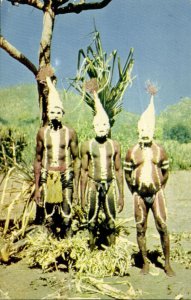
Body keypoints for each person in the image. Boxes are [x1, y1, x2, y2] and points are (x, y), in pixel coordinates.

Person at [124, 83, 175, 276]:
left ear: (152, 130)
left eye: (148, 128)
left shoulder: (159, 150)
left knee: (162, 226)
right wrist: (135, 191)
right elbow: (128, 175)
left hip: (156, 193)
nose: (145, 131)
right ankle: (144, 261)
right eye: (142, 128)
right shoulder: (132, 151)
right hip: (139, 195)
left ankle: (167, 263)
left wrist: (159, 187)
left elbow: (166, 172)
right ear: (138, 129)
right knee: (140, 228)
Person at [34, 77, 80, 238]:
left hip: (65, 174)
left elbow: (77, 158)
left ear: (62, 113)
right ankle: (51, 248)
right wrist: (37, 186)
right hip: (48, 175)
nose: (55, 115)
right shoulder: (42, 133)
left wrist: (75, 183)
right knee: (50, 218)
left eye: (58, 112)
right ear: (47, 113)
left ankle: (67, 246)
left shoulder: (70, 132)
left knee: (67, 216)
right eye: (52, 112)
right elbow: (38, 159)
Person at [80, 90, 124, 249]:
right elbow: (83, 172)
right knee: (91, 221)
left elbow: (119, 171)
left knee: (111, 221)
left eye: (105, 124)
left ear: (109, 126)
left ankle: (112, 251)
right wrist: (82, 197)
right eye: (98, 125)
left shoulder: (115, 145)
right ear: (93, 126)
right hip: (93, 184)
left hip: (110, 184)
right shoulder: (87, 145)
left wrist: (121, 196)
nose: (102, 128)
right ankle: (91, 249)